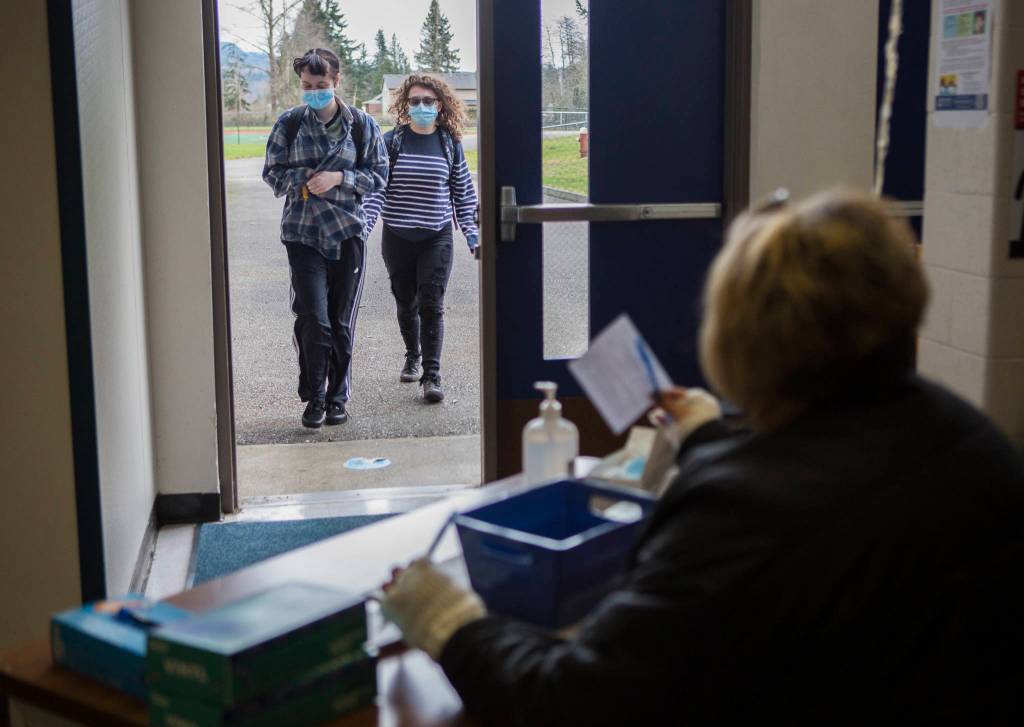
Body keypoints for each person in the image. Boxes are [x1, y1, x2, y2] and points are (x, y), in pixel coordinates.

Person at [380, 189, 1024, 725]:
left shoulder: (738, 512)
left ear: (739, 336)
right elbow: (837, 491)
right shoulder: (969, 438)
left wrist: (453, 625)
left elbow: (576, 702)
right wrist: (709, 439)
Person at [263, 48, 388, 428]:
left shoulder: (363, 125)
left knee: (339, 320)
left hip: (347, 233)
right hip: (302, 233)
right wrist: (303, 178)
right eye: (306, 86)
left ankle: (337, 397)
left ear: (336, 82)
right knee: (313, 318)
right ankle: (314, 396)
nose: (314, 91)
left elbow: (379, 175)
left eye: (321, 85)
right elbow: (272, 174)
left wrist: (339, 178)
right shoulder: (289, 123)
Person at [361, 74, 479, 403]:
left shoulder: (449, 143)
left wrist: (472, 235)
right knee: (405, 301)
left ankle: (432, 374)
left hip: (436, 237)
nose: (422, 106)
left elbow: (464, 194)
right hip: (397, 237)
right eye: (415, 101)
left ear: (440, 105)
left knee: (432, 305)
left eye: (429, 101)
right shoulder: (391, 142)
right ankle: (412, 355)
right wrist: (364, 228)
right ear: (405, 105)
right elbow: (376, 191)